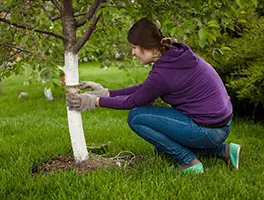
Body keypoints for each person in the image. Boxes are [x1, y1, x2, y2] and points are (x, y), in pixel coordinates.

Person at [66, 17, 241, 174]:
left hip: (209, 130)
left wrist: (94, 101)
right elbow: (146, 88)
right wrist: (107, 93)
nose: (133, 52)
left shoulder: (164, 72)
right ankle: (223, 151)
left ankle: (189, 163)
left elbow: (136, 100)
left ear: (148, 47)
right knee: (161, 148)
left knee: (137, 117)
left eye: (135, 47)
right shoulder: (174, 55)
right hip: (219, 124)